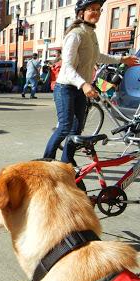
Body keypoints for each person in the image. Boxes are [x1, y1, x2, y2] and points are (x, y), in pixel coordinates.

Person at [43, 0, 138, 166]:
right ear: (81, 13)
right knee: (65, 127)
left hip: (79, 89)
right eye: (91, 9)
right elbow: (67, 68)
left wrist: (122, 59)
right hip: (66, 88)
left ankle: (67, 162)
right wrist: (85, 84)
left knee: (77, 129)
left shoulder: (90, 33)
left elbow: (98, 57)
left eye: (98, 10)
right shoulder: (75, 34)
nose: (96, 12)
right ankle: (46, 163)